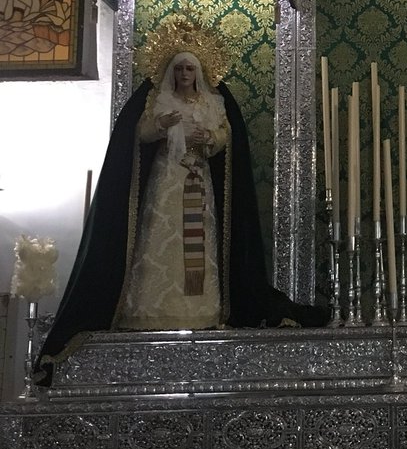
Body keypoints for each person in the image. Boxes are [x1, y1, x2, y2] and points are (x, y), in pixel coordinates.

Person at [36, 36, 329, 380]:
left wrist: (211, 139)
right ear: (172, 72)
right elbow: (139, 133)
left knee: (199, 246)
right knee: (160, 242)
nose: (186, 73)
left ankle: (198, 309)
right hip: (166, 183)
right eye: (180, 68)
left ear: (199, 71)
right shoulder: (158, 99)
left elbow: (224, 137)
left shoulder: (212, 102)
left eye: (191, 67)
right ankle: (149, 309)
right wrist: (160, 126)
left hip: (198, 181)